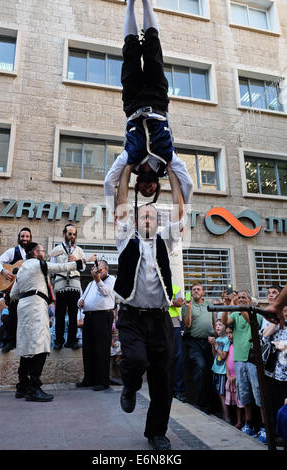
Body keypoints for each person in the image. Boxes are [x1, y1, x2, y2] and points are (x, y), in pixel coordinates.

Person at [113, 152, 185, 451]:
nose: (147, 219)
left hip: (159, 318)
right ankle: (129, 387)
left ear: (158, 222)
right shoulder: (125, 237)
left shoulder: (165, 239)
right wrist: (129, 168)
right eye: (143, 216)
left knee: (163, 379)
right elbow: (120, 203)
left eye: (152, 217)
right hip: (131, 317)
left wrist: (170, 172)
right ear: (137, 219)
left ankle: (157, 432)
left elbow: (181, 210)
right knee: (136, 360)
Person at [104, 0, 193, 209]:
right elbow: (187, 183)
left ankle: (130, 4)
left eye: (143, 190)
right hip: (158, 101)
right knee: (153, 48)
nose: (147, 188)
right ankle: (145, 1)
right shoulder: (168, 159)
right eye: (150, 190)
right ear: (157, 185)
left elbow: (109, 182)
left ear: (137, 185)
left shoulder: (129, 160)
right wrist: (184, 212)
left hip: (133, 103)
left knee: (131, 49)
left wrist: (112, 213)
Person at [10, 241, 96, 402]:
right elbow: (62, 268)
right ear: (35, 253)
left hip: (24, 306)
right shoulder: (38, 264)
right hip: (36, 306)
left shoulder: (21, 269)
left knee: (27, 346)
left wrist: (27, 292)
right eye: (42, 250)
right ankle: (34, 388)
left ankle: (22, 386)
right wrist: (83, 260)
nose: (44, 252)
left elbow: (13, 294)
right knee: (41, 345)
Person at [221, 290, 266, 442]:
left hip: (253, 359)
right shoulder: (235, 315)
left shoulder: (256, 313)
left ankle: (264, 427)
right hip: (239, 359)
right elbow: (225, 322)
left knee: (259, 394)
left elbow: (252, 325)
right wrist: (227, 306)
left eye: (243, 298)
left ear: (249, 300)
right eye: (238, 298)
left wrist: (240, 307)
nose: (240, 300)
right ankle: (249, 424)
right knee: (244, 394)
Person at [76, 260, 116, 391]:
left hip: (103, 316)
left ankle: (103, 380)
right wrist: (80, 302)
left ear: (105, 269)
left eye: (97, 268)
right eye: (94, 268)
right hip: (89, 317)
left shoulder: (111, 279)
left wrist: (98, 279)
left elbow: (106, 292)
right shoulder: (91, 283)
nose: (95, 270)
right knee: (88, 349)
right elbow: (83, 297)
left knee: (101, 348)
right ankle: (89, 379)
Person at [0, 227, 32, 352]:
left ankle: (22, 343)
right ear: (19, 238)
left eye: (27, 237)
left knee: (25, 318)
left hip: (27, 292)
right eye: (22, 236)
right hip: (12, 290)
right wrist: (3, 270)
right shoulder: (12, 251)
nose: (24, 239)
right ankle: (10, 342)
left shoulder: (33, 255)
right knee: (12, 317)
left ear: (30, 238)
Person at [50, 224, 87, 350]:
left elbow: (83, 268)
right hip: (60, 284)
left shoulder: (79, 250)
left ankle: (71, 340)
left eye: (74, 234)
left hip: (74, 285)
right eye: (69, 234)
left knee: (73, 314)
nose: (72, 236)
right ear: (64, 233)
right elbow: (52, 268)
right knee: (59, 314)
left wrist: (76, 260)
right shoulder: (57, 249)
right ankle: (59, 341)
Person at [182, 282, 216, 414]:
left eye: (198, 289)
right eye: (193, 289)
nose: (196, 291)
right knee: (201, 367)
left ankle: (211, 402)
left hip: (209, 342)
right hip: (194, 342)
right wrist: (189, 308)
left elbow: (213, 324)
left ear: (203, 292)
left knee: (210, 371)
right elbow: (187, 325)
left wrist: (216, 339)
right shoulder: (187, 305)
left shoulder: (208, 305)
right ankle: (202, 403)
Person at [262, 305, 287, 443]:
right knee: (275, 404)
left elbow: (282, 346)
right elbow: (264, 336)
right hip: (274, 372)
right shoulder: (276, 324)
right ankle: (276, 435)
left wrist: (281, 344)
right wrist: (275, 322)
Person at [208, 319, 230, 422]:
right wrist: (213, 344)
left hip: (222, 371)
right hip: (216, 369)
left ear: (226, 327)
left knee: (222, 394)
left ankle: (227, 417)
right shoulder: (217, 339)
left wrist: (215, 344)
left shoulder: (226, 340)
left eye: (220, 325)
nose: (217, 326)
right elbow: (215, 355)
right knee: (218, 393)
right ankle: (221, 413)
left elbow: (223, 355)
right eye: (216, 325)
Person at [169, 282, 185, 402]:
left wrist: (165, 301)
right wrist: (171, 301)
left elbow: (179, 303)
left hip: (174, 325)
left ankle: (178, 390)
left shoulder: (176, 288)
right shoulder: (155, 287)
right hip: (159, 325)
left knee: (178, 357)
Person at [225, 325, 244, 429]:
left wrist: (235, 377)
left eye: (231, 333)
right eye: (227, 333)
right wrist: (228, 375)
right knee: (234, 402)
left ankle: (243, 422)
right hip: (230, 378)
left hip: (238, 379)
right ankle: (236, 420)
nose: (229, 335)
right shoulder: (231, 346)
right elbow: (227, 361)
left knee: (240, 402)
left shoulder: (239, 345)